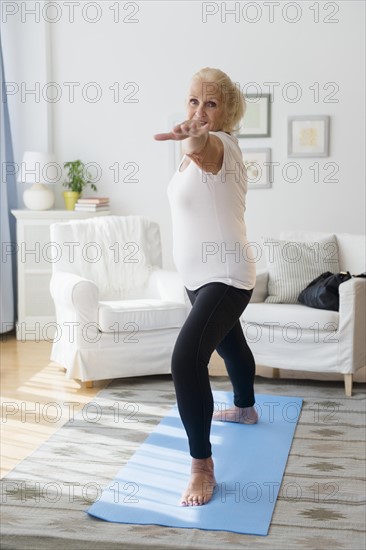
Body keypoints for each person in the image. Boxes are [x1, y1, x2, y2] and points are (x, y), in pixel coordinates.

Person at [154, 67, 258, 507]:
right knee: (230, 345)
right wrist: (188, 142)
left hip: (227, 276)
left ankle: (201, 465)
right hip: (198, 279)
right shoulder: (184, 158)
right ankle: (246, 406)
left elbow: (205, 149)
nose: (199, 111)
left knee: (186, 357)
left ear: (227, 113)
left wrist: (193, 137)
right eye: (194, 101)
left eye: (211, 104)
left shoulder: (224, 147)